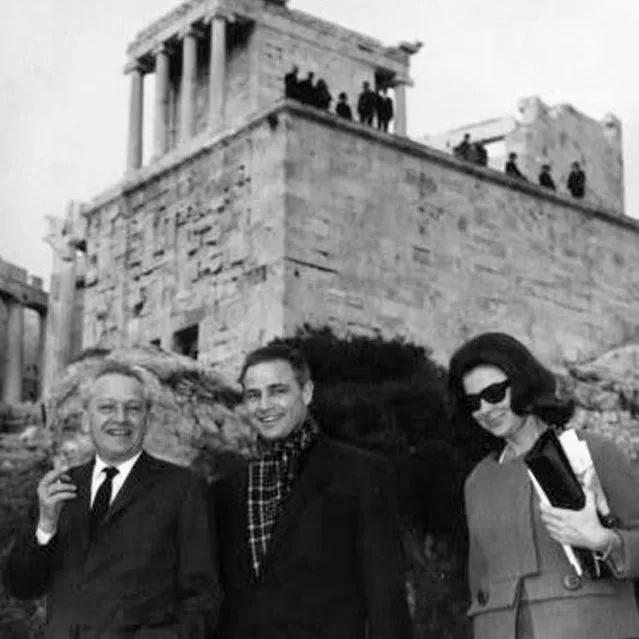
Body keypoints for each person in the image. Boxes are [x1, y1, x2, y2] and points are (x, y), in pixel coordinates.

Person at [4, 361, 221, 639]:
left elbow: (203, 601)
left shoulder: (184, 489)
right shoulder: (60, 487)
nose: (120, 418)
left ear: (147, 417)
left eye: (133, 408)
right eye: (106, 407)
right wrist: (45, 526)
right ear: (86, 419)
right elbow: (21, 586)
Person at [211, 343, 411, 639]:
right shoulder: (223, 492)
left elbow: (386, 600)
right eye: (254, 395)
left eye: (278, 391)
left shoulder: (361, 474)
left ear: (306, 392)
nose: (264, 405)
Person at [448, 332, 639, 639]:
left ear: (523, 383)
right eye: (473, 401)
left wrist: (603, 540)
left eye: (495, 393)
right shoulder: (477, 482)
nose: (485, 408)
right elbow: (479, 582)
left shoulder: (592, 451)